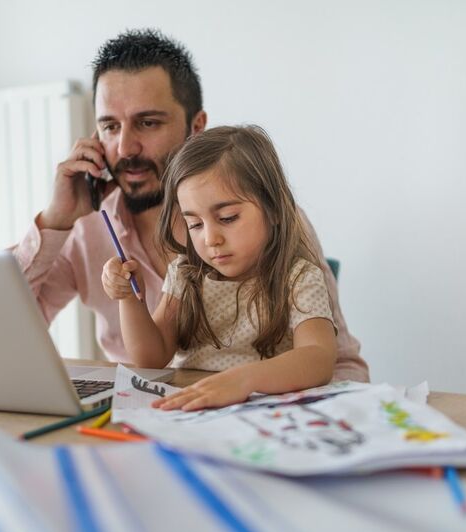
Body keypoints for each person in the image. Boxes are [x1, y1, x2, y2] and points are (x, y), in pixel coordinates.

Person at [12, 29, 369, 382]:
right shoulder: (89, 226)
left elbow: (338, 362)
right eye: (109, 126)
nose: (125, 148)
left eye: (147, 123)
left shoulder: (279, 225)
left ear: (196, 127)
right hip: (161, 411)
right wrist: (55, 220)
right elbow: (0, 326)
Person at [102, 125, 338, 410]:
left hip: (264, 416)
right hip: (192, 412)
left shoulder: (298, 278)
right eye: (195, 224)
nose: (210, 239)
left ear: (274, 209)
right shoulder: (185, 274)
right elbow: (150, 359)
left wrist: (244, 380)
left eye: (227, 218)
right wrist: (128, 299)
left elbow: (319, 358)